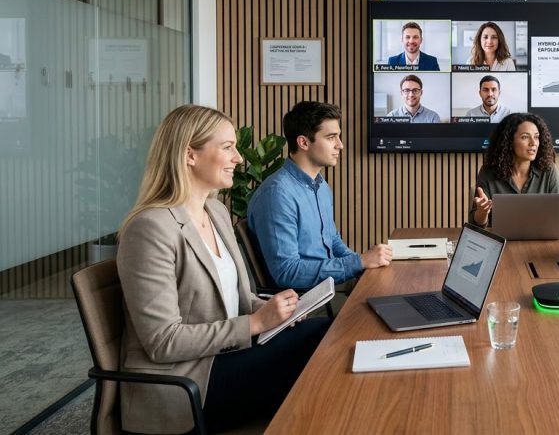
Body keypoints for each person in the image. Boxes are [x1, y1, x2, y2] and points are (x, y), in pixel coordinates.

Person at [116, 105, 330, 433]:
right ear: (190, 155)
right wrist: (256, 322)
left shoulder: (215, 211)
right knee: (318, 343)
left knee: (325, 331)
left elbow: (235, 298)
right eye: (227, 147)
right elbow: (162, 341)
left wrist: (274, 310)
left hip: (227, 356)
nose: (239, 159)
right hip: (187, 382)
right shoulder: (150, 229)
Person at [248, 101, 392, 290]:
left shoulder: (321, 185)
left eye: (338, 137)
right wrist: (359, 262)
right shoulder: (277, 195)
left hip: (325, 292)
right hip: (301, 305)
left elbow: (332, 240)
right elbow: (287, 272)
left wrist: (362, 266)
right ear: (304, 142)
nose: (340, 145)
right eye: (331, 137)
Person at [470, 112, 559, 226]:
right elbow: (475, 223)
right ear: (509, 141)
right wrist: (482, 212)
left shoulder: (549, 170)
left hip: (539, 241)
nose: (533, 143)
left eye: (536, 137)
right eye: (525, 137)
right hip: (501, 241)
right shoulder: (488, 171)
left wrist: (555, 219)